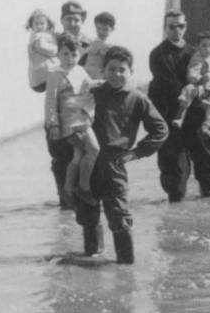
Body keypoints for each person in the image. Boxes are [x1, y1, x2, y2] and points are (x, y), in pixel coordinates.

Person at [74, 46, 168, 264]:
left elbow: (161, 130)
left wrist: (135, 154)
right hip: (88, 159)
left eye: (122, 70)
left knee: (119, 216)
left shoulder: (137, 98)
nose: (116, 74)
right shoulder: (93, 93)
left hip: (114, 164)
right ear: (103, 70)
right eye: (111, 69)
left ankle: (126, 269)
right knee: (87, 211)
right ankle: (92, 261)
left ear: (131, 71)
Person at [148, 9, 210, 202]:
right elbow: (168, 85)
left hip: (196, 113)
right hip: (172, 117)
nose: (176, 30)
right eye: (172, 26)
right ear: (165, 28)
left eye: (180, 26)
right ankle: (174, 215)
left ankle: (208, 208)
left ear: (185, 26)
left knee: (206, 164)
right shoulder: (157, 54)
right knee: (175, 175)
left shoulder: (195, 52)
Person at [45, 0, 92, 208]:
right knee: (61, 159)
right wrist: (52, 124)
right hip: (59, 116)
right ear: (62, 20)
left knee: (85, 155)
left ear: (83, 21)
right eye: (69, 19)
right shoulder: (50, 45)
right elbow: (42, 87)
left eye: (77, 19)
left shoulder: (90, 46)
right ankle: (65, 205)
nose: (73, 22)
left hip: (83, 116)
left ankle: (82, 196)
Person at [172, 31, 210, 136]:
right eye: (204, 46)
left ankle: (206, 126)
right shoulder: (196, 58)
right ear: (197, 46)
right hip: (200, 86)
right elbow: (191, 73)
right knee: (188, 90)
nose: (207, 49)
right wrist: (200, 78)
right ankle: (180, 116)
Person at [26, 9, 58, 92]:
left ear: (47, 24)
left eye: (42, 23)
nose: (39, 26)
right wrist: (56, 49)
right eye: (36, 24)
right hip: (42, 77)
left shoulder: (43, 35)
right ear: (31, 25)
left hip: (38, 79)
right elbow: (42, 47)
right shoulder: (38, 37)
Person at [82, 11, 115, 80]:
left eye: (105, 29)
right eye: (99, 28)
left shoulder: (112, 49)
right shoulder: (88, 43)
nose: (101, 32)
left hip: (101, 78)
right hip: (85, 76)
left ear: (112, 29)